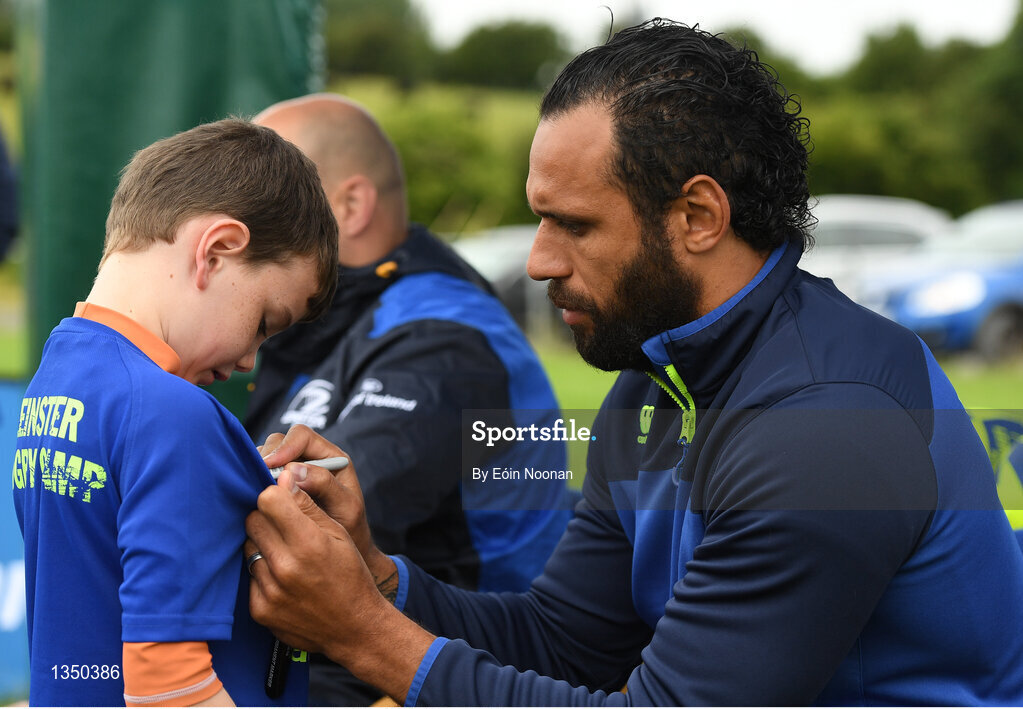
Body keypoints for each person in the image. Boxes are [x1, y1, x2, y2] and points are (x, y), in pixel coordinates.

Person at [244, 20, 1023, 706]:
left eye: (573, 224)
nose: (540, 261)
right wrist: (376, 575)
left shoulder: (823, 422)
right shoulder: (657, 377)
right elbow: (566, 638)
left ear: (697, 216)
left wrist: (364, 632)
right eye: (538, 219)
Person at [244, 92, 574, 705]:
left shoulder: (444, 337)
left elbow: (304, 525)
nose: (238, 224)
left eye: (267, 199)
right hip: (325, 657)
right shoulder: (322, 318)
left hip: (443, 674)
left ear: (350, 204)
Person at [10, 119, 338, 707]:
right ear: (217, 250)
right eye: (264, 323)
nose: (248, 361)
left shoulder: (56, 379)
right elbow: (170, 688)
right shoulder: (175, 417)